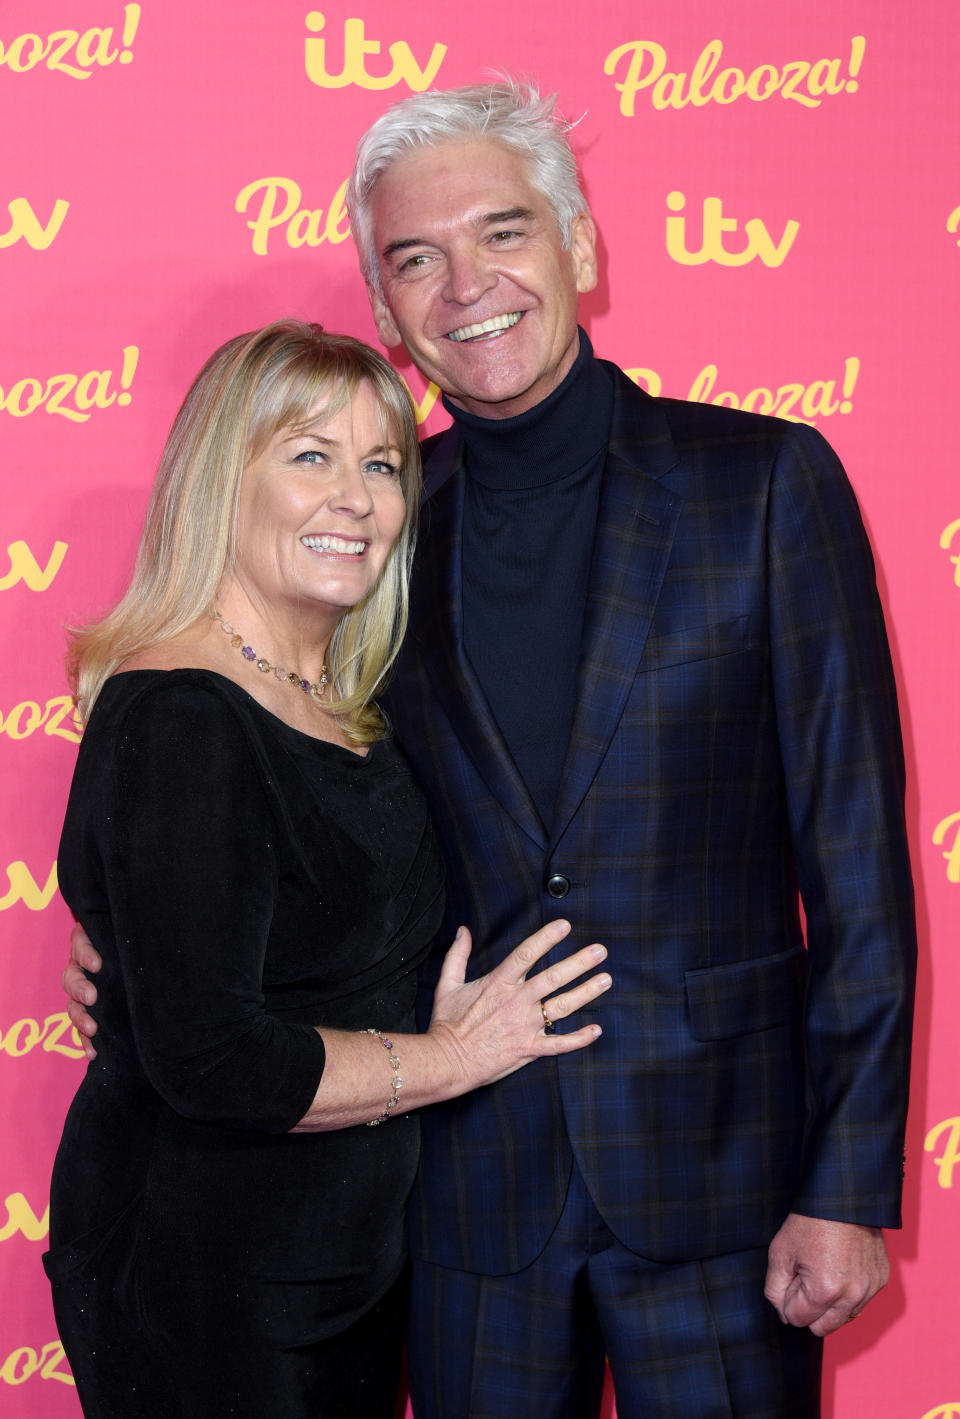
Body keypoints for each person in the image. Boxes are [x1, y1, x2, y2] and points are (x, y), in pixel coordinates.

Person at [65, 84, 917, 1419]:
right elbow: (279, 785)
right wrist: (144, 931)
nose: (467, 284)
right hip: (461, 1198)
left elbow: (859, 867)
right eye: (416, 258)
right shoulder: (376, 534)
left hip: (726, 1189)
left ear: (578, 247)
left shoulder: (762, 483)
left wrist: (847, 1181)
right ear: (387, 304)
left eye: (502, 232)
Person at [46, 318, 611, 1419]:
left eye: (382, 464)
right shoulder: (185, 716)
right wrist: (453, 1057)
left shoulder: (348, 705)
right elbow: (215, 1062)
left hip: (340, 1266)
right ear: (225, 479)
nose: (355, 497)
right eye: (310, 456)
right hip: (206, 1277)